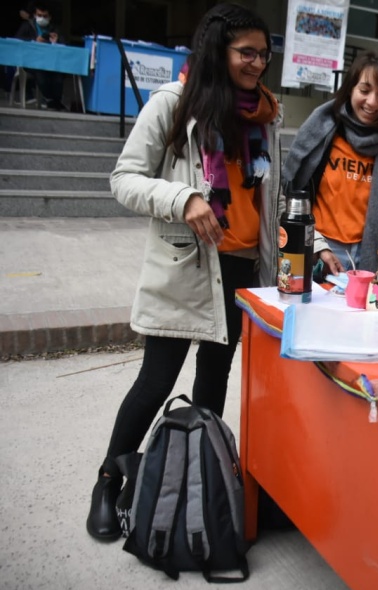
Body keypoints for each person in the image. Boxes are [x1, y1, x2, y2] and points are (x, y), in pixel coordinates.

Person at [86, 3, 281, 541]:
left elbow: (264, 195)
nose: (257, 63)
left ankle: (195, 475)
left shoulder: (265, 113)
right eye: (247, 52)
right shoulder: (174, 104)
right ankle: (107, 483)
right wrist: (183, 197)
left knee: (214, 378)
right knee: (155, 380)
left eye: (264, 53)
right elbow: (124, 178)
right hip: (187, 262)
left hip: (243, 269)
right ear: (218, 50)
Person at [281, 49, 378, 275]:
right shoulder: (320, 132)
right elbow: (289, 191)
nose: (372, 102)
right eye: (364, 90)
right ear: (351, 88)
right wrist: (317, 246)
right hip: (320, 252)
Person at [14, 2, 66, 110]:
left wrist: (56, 42)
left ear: (50, 17)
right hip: (31, 62)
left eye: (45, 16)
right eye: (39, 15)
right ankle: (50, 100)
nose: (42, 18)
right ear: (34, 15)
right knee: (41, 74)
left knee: (58, 76)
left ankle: (56, 101)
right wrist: (34, 41)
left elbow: (64, 45)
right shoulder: (27, 26)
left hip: (50, 63)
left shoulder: (54, 29)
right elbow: (17, 42)